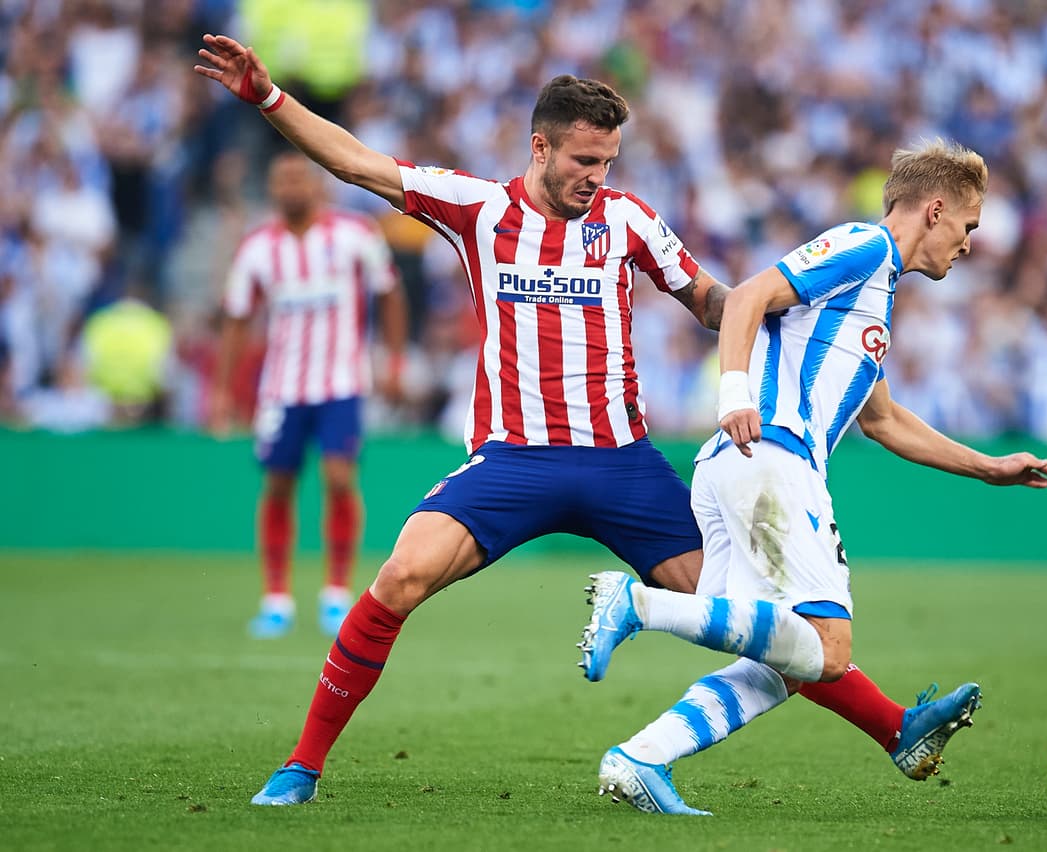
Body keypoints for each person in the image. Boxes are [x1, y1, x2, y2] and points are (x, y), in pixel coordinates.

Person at [194, 32, 984, 808]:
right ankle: (302, 765)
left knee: (754, 624)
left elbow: (711, 301)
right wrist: (267, 96)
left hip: (622, 465)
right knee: (398, 577)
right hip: (513, 459)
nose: (596, 177)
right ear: (539, 147)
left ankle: (895, 729)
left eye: (608, 162)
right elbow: (356, 163)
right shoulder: (476, 208)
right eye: (583, 161)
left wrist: (792, 310)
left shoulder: (630, 221)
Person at [579, 139, 1047, 815]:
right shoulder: (864, 246)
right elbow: (749, 295)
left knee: (786, 665)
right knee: (827, 649)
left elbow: (886, 421)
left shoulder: (876, 292)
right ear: (934, 209)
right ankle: (637, 604)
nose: (968, 242)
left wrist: (990, 468)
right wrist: (735, 397)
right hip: (770, 455)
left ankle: (640, 759)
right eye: (968, 225)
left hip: (743, 468)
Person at [210, 151, 408, 639]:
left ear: (317, 185)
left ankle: (335, 594)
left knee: (339, 478)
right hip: (282, 389)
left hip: (341, 384)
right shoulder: (258, 248)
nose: (291, 188)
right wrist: (223, 391)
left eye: (299, 178)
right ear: (273, 189)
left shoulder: (355, 234)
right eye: (281, 180)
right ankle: (276, 598)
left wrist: (394, 360)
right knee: (278, 485)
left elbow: (390, 293)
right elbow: (237, 319)